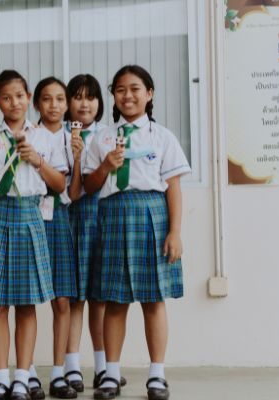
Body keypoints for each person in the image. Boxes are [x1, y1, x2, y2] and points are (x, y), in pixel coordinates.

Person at [83, 66, 190, 400]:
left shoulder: (163, 137)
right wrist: (105, 167)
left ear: (149, 93)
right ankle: (111, 375)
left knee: (153, 300)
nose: (127, 96)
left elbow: (173, 188)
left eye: (135, 89)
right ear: (113, 96)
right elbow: (87, 185)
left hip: (151, 217)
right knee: (114, 301)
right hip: (111, 217)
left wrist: (175, 232)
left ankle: (157, 375)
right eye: (120, 90)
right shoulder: (101, 138)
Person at [0, 70, 67, 400]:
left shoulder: (45, 138)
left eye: (20, 96)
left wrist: (37, 160)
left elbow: (60, 185)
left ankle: (22, 378)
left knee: (26, 304)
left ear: (29, 99)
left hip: (30, 216)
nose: (14, 102)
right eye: (6, 97)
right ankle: (0, 378)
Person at [59, 74, 127, 393]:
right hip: (70, 216)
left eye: (91, 97)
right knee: (74, 296)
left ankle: (103, 367)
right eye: (77, 97)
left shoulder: (108, 134)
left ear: (101, 103)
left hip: (103, 216)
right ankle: (72, 365)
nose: (84, 103)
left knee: (99, 294)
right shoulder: (57, 135)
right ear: (67, 103)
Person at [32, 76, 77, 399]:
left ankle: (58, 372)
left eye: (60, 99)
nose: (54, 105)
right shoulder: (27, 135)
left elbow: (70, 191)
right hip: (29, 215)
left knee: (62, 299)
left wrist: (78, 157)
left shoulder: (72, 139)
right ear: (37, 104)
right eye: (47, 99)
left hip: (59, 216)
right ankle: (27, 371)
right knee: (25, 299)